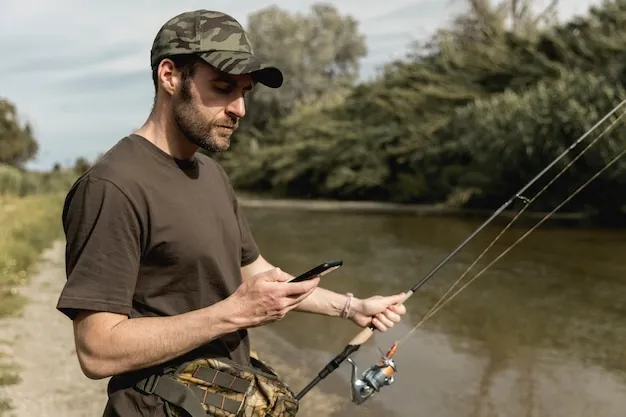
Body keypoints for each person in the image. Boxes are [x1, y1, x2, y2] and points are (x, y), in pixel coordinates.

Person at [56, 9, 407, 417]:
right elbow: (97, 350)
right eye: (222, 87)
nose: (239, 108)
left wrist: (351, 308)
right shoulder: (113, 186)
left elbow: (253, 274)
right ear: (169, 76)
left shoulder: (210, 173)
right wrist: (233, 313)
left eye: (245, 92)